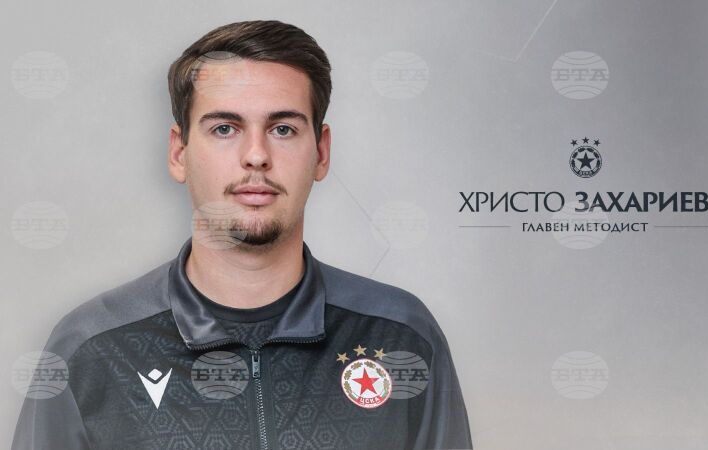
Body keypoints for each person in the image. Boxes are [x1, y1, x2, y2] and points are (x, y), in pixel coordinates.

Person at [10, 19, 472, 450]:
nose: (256, 155)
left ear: (321, 153)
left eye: (283, 128)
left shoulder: (403, 337)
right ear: (179, 153)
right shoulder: (90, 348)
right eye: (225, 128)